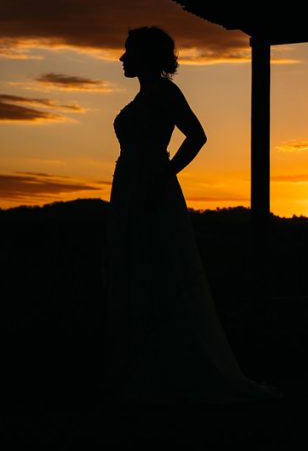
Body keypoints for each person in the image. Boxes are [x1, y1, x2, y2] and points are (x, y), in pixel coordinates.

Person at [102, 26, 280, 403]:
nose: (122, 59)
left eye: (129, 52)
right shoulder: (144, 96)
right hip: (130, 189)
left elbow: (197, 135)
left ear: (146, 57)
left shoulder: (166, 92)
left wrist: (162, 177)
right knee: (135, 270)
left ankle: (170, 367)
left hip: (152, 190)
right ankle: (140, 362)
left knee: (161, 269)